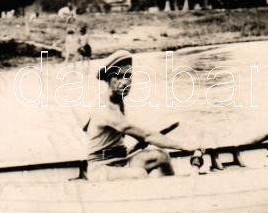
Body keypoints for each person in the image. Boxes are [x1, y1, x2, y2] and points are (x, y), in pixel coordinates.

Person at [83, 50, 197, 181]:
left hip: (120, 161)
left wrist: (123, 149)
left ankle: (171, 189)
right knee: (139, 174)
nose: (125, 82)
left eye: (128, 76)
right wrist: (184, 146)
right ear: (108, 79)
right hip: (101, 169)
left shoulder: (117, 101)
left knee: (162, 156)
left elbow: (89, 130)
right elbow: (147, 136)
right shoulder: (105, 108)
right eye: (119, 76)